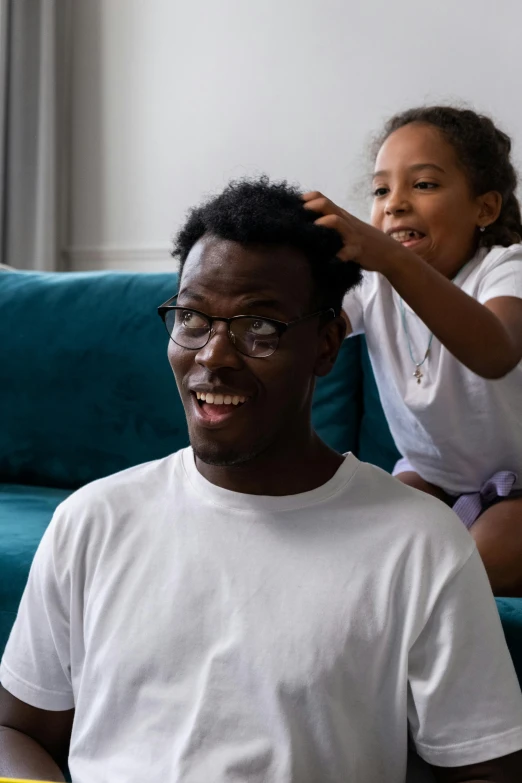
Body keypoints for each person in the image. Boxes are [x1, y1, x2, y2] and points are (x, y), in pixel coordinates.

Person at [1, 177, 522, 783]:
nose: (214, 355)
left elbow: (488, 772)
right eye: (193, 318)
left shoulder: (420, 544)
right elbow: (17, 729)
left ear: (327, 345)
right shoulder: (93, 520)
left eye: (260, 328)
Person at [304, 106, 522, 597]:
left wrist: (390, 258)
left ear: (484, 209)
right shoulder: (372, 283)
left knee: (471, 568)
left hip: (520, 490)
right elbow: (313, 329)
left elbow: (497, 351)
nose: (395, 203)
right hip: (433, 477)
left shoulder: (506, 268)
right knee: (356, 548)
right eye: (381, 190)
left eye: (423, 185)